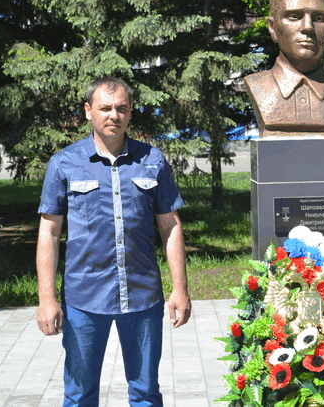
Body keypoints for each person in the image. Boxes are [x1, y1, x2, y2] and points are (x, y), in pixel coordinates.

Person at [35, 76, 192, 406]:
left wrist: (180, 288)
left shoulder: (152, 160)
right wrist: (46, 298)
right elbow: (48, 233)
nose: (113, 115)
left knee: (146, 392)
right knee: (79, 394)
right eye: (105, 108)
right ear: (88, 110)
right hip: (84, 299)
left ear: (131, 112)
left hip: (142, 296)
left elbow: (171, 226)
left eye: (121, 108)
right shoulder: (64, 163)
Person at [244, 0, 324, 137]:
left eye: (319, 18)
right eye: (294, 16)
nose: (308, 27)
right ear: (272, 28)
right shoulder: (257, 85)